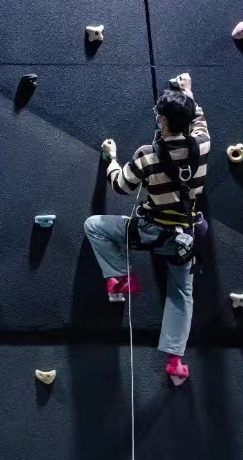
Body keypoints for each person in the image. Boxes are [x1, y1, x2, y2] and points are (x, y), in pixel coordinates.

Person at [83, 73, 210, 384]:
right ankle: (175, 361)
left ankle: (121, 277)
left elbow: (120, 185)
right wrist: (188, 93)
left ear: (163, 120)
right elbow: (199, 122)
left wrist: (112, 158)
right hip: (184, 238)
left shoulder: (147, 155)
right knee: (181, 294)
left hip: (148, 232)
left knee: (94, 226)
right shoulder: (203, 145)